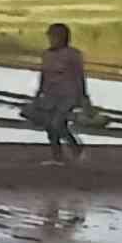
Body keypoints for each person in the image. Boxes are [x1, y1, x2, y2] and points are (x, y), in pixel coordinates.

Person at [29, 21, 92, 162]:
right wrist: (38, 94)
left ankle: (76, 149)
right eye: (50, 37)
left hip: (68, 95)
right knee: (51, 127)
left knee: (56, 123)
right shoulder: (46, 55)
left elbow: (79, 76)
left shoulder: (73, 55)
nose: (51, 40)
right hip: (51, 95)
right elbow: (43, 75)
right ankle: (57, 156)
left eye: (53, 37)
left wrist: (83, 97)